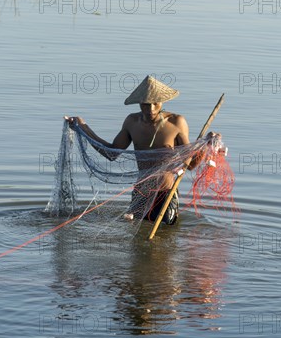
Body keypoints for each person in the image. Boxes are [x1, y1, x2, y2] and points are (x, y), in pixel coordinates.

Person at [65, 75, 216, 225]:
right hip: (141, 192)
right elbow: (111, 153)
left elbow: (190, 165)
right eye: (145, 104)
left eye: (155, 103)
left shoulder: (176, 123)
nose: (150, 109)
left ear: (162, 102)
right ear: (139, 103)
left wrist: (205, 145)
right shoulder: (132, 122)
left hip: (165, 193)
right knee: (138, 241)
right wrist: (83, 127)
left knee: (164, 239)